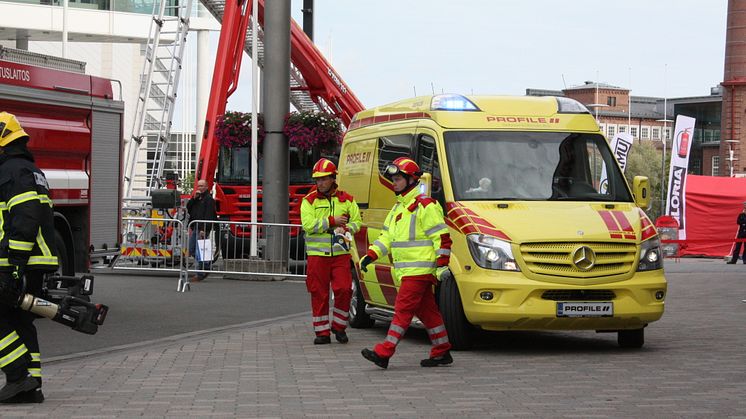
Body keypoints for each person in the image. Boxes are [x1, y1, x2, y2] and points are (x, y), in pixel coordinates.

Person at [359, 157, 453, 369]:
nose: (394, 182)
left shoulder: (426, 206)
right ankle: (442, 350)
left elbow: (442, 237)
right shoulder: (397, 209)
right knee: (428, 312)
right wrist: (370, 255)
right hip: (408, 271)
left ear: (412, 180)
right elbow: (386, 238)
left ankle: (384, 352)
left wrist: (442, 265)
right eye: (393, 178)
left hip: (420, 270)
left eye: (399, 178)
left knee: (402, 310)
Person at [0, 112, 58, 403]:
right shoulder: (29, 169)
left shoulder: (12, 171)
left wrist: (15, 265)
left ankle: (17, 376)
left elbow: (24, 218)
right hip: (32, 262)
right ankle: (31, 386)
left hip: (17, 261)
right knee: (22, 322)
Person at [300, 158, 362, 345]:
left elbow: (357, 222)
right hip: (317, 256)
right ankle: (322, 333)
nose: (320, 183)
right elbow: (308, 225)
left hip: (340, 254)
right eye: (318, 180)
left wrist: (348, 229)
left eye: (324, 179)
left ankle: (339, 326)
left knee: (344, 289)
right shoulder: (308, 201)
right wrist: (331, 221)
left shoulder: (348, 199)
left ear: (333, 179)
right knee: (319, 293)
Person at [186, 179, 217, 281]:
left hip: (202, 228)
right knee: (191, 250)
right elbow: (189, 208)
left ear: (206, 187)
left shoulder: (209, 199)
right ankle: (206, 266)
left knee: (199, 251)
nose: (200, 188)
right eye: (199, 186)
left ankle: (200, 274)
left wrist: (204, 229)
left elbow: (209, 215)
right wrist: (193, 199)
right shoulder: (197, 198)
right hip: (195, 226)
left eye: (202, 186)